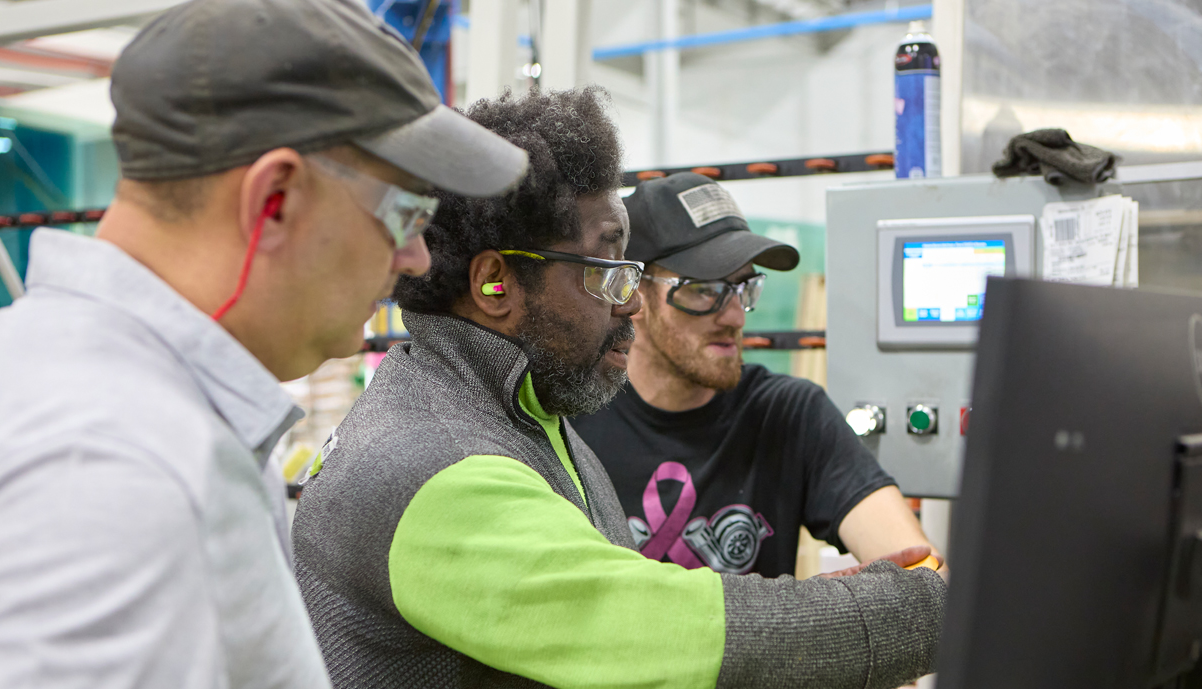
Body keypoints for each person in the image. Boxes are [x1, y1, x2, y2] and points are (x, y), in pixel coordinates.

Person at [292, 87, 945, 689]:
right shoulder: (433, 464)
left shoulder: (533, 415)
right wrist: (925, 610)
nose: (628, 305)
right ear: (496, 284)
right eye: (606, 270)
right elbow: (657, 629)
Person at [0, 0, 527, 686]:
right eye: (405, 213)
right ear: (275, 200)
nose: (414, 257)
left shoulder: (37, 359)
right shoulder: (118, 468)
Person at [571, 172, 942, 578]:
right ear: (633, 293)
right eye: (704, 289)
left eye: (742, 287)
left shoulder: (788, 414)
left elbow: (924, 577)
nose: (733, 316)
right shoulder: (572, 424)